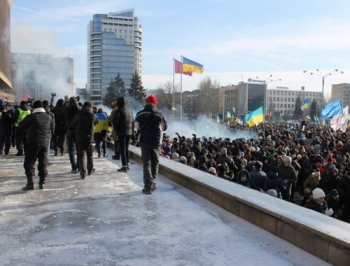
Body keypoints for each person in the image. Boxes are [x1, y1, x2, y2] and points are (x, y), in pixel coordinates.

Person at [134, 95, 167, 195]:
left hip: (144, 141)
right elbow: (165, 127)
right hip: (156, 142)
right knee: (155, 162)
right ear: (155, 103)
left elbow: (136, 125)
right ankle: (153, 183)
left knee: (146, 163)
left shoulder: (140, 114)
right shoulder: (160, 115)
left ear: (146, 102)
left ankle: (147, 185)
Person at [18, 100, 54, 190]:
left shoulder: (32, 117)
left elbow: (21, 125)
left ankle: (30, 183)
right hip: (45, 142)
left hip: (33, 142)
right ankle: (42, 182)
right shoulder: (49, 117)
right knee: (43, 162)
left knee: (29, 162)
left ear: (34, 107)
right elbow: (52, 128)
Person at [70, 102, 98, 179]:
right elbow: (97, 122)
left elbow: (72, 124)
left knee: (81, 155)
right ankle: (90, 170)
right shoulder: (92, 115)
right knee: (90, 155)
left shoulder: (79, 115)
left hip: (79, 137)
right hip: (90, 137)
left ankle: (83, 173)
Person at [113, 97, 134, 172]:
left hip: (122, 132)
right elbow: (133, 122)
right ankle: (127, 163)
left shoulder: (119, 111)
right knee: (126, 148)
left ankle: (124, 165)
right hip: (129, 132)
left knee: (122, 149)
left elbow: (116, 122)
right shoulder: (130, 111)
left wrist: (117, 130)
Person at [63, 97, 80, 173]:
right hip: (77, 130)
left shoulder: (66, 109)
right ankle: (80, 165)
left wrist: (66, 101)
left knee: (71, 149)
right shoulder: (78, 110)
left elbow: (63, 106)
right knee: (79, 149)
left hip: (69, 130)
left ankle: (74, 167)